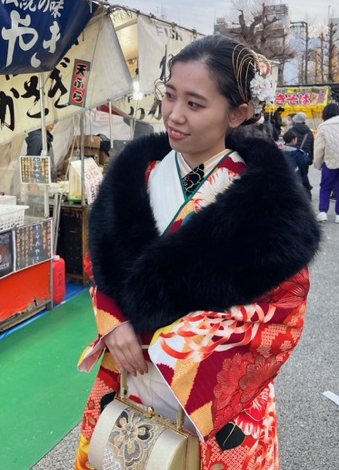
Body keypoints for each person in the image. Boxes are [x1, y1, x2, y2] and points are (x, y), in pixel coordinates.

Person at [75, 34, 321, 469]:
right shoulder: (137, 172)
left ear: (238, 113)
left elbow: (282, 311)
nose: (174, 115)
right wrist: (112, 319)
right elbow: (103, 260)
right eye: (169, 96)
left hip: (210, 396)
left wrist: (179, 343)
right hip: (131, 373)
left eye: (194, 103)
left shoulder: (266, 200)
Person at [314, 103, 339, 224]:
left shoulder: (323, 127)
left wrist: (318, 163)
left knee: (326, 186)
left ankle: (323, 212)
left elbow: (319, 148)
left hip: (329, 161)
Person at [291, 111, 314, 198]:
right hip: (305, 156)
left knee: (295, 175)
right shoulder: (309, 132)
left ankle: (300, 194)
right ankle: (307, 193)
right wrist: (311, 158)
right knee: (304, 174)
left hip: (294, 155)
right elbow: (312, 146)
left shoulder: (292, 130)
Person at [281, 128, 310, 195]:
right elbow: (303, 163)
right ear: (293, 140)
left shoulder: (280, 151)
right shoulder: (297, 152)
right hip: (296, 176)